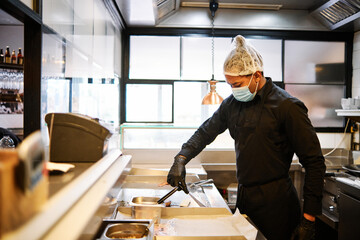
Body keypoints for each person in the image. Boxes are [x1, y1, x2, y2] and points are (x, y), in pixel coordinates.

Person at [167, 35, 326, 240]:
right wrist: (181, 158)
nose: (233, 90)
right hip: (245, 198)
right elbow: (206, 131)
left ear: (257, 75)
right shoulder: (232, 104)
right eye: (230, 84)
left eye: (237, 84)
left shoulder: (288, 106)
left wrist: (308, 220)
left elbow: (314, 162)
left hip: (277, 203)